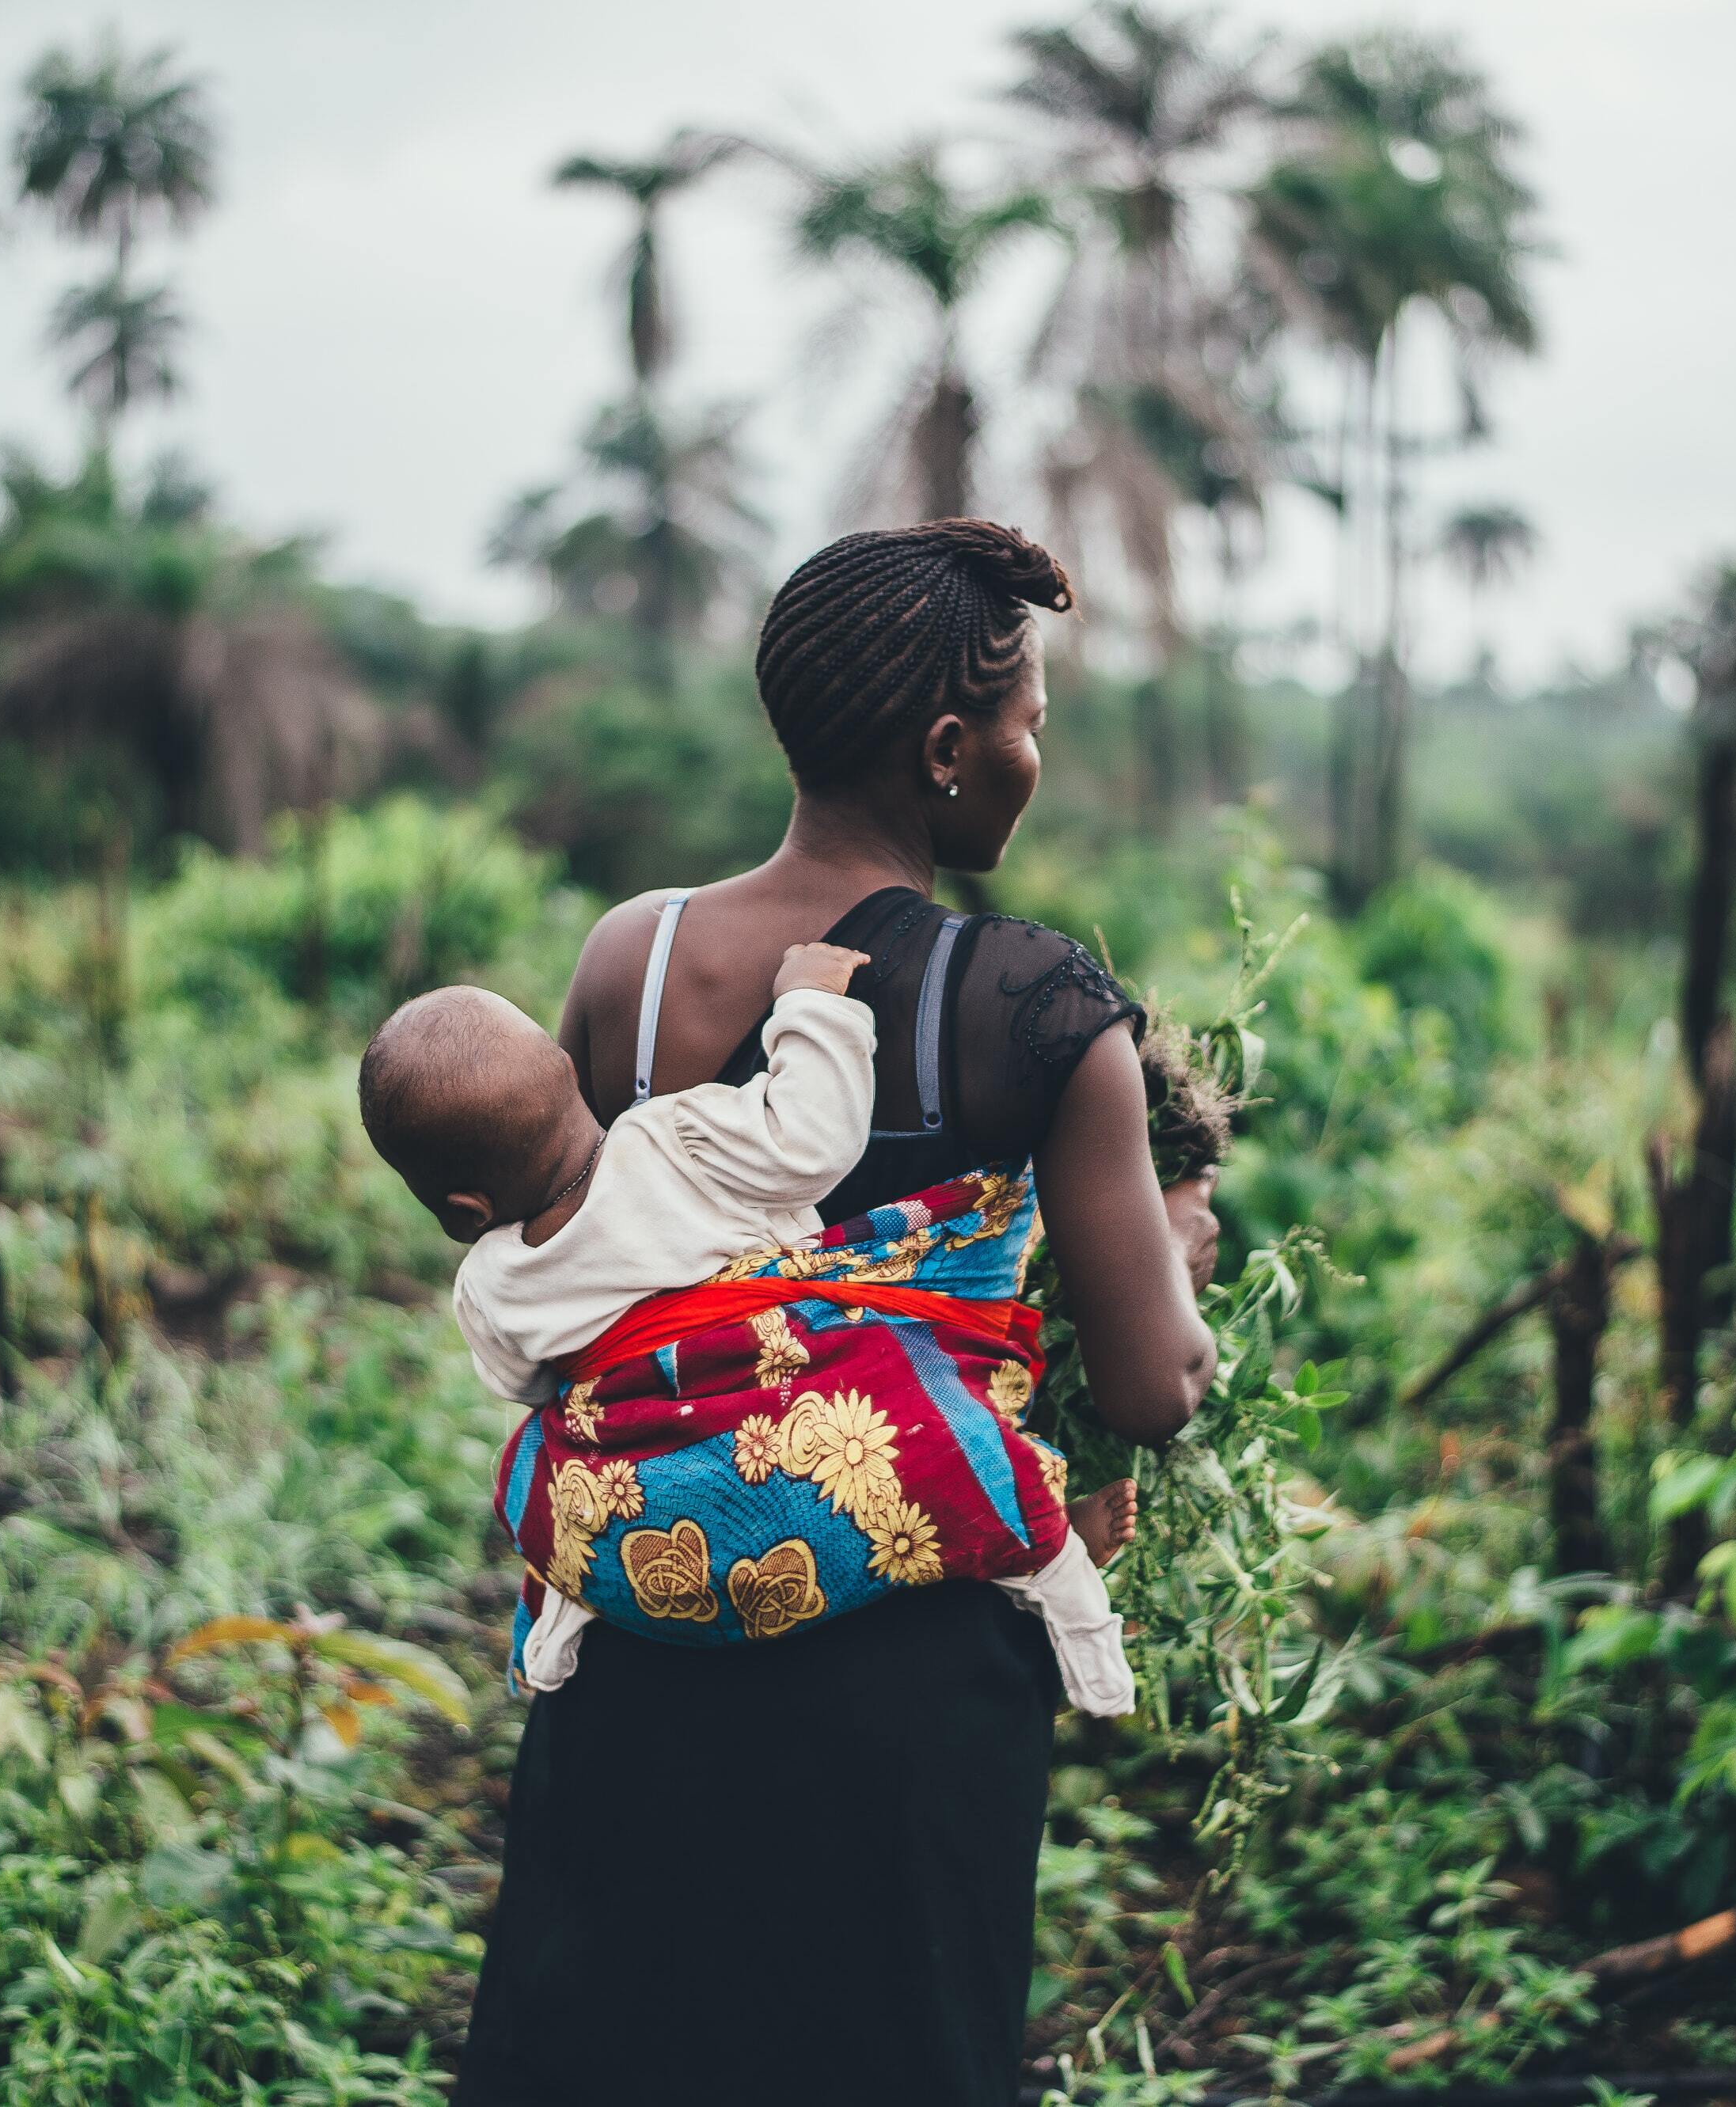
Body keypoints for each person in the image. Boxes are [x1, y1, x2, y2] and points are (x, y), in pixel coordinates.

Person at [454, 519, 1219, 2107]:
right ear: (948, 748)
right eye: (1025, 724)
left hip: (645, 1635)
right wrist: (1178, 1248)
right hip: (903, 1690)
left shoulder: (631, 963)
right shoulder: (1034, 1004)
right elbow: (1148, 1390)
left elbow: (600, 1263)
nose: (1031, 755)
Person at [354, 940, 1138, 1711]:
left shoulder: (489, 1284)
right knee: (942, 1439)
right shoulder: (673, 1138)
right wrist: (811, 1003)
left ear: (463, 1210)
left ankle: (562, 1618)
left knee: (542, 1467)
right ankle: (1062, 1583)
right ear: (568, 1076)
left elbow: (529, 1385)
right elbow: (812, 1142)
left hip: (653, 1510)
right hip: (797, 1429)